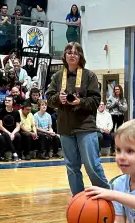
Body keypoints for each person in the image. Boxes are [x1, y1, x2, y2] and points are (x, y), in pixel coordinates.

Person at [46, 42, 109, 194]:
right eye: (69, 52)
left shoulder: (89, 76)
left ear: (80, 56)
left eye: (75, 52)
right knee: (72, 167)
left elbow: (95, 101)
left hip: (85, 127)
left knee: (92, 165)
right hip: (65, 127)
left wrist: (80, 101)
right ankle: (78, 199)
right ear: (64, 56)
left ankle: (108, 196)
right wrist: (58, 98)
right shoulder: (57, 76)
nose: (72, 55)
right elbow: (49, 99)